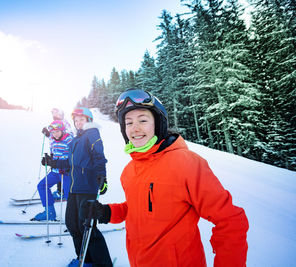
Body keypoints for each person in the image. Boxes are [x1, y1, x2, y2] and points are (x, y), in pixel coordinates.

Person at [81, 88, 249, 266]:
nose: (135, 128)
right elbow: (135, 209)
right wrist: (107, 212)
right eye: (128, 123)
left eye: (143, 120)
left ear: (158, 123)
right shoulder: (130, 170)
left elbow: (230, 221)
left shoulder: (187, 163)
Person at [44, 107, 112, 267]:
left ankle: (103, 264)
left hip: (87, 187)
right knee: (72, 224)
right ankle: (85, 260)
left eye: (82, 119)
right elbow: (70, 164)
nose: (78, 122)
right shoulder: (76, 139)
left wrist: (102, 176)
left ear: (88, 120)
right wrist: (53, 163)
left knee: (87, 227)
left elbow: (99, 157)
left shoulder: (92, 134)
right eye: (76, 120)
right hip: (74, 188)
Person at [32, 120, 73, 221]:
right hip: (55, 172)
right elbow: (54, 154)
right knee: (42, 186)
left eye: (57, 131)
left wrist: (59, 164)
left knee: (70, 196)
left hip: (66, 173)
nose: (55, 134)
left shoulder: (69, 139)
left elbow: (74, 158)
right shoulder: (53, 139)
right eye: (53, 132)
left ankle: (75, 218)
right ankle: (49, 212)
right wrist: (48, 160)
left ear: (62, 130)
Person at [41, 107, 74, 199]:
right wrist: (48, 134)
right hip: (55, 152)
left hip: (63, 154)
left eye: (57, 114)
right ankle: (60, 190)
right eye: (53, 114)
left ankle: (62, 191)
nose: (55, 116)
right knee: (55, 170)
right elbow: (54, 136)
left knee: (61, 170)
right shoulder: (54, 124)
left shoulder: (65, 123)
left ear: (61, 114)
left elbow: (66, 136)